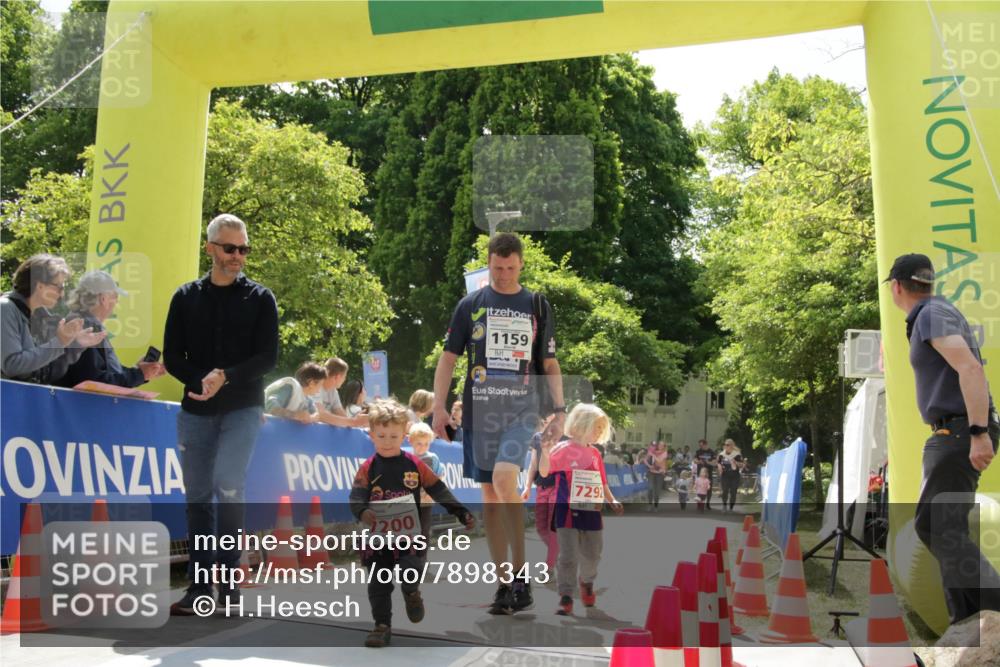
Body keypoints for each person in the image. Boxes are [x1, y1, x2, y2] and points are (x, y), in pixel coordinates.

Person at [432, 232, 565, 615]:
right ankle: (505, 583)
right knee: (490, 495)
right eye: (497, 268)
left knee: (506, 479)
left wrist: (559, 409)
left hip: (522, 411)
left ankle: (521, 576)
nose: (504, 274)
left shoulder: (537, 305)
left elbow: (551, 364)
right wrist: (439, 406)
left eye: (510, 267)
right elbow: (448, 358)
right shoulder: (470, 304)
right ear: (488, 264)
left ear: (521, 263)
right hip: (480, 412)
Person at [163, 213, 279, 615]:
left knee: (229, 485)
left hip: (243, 407)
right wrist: (200, 379)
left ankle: (228, 584)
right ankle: (199, 588)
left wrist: (225, 376)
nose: (237, 256)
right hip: (194, 410)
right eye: (230, 248)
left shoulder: (261, 299)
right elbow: (173, 355)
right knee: (197, 497)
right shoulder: (184, 297)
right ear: (210, 247)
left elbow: (269, 356)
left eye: (243, 249)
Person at [885, 253, 1000, 624]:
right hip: (958, 429)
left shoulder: (931, 315)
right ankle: (967, 622)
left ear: (897, 286)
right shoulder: (936, 313)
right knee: (946, 527)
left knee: (935, 526)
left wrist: (979, 432)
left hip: (959, 429)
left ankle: (988, 611)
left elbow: (969, 368)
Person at [350, 399, 475, 648]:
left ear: (404, 434)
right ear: (372, 435)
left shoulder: (414, 464)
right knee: (378, 583)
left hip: (409, 534)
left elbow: (438, 488)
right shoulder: (368, 467)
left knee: (411, 570)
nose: (387, 441)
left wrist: (461, 512)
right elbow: (356, 496)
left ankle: (411, 593)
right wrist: (363, 512)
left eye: (393, 436)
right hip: (378, 537)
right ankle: (381, 626)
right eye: (381, 435)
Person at [538, 403, 623, 615]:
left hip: (592, 512)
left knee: (593, 554)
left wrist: (612, 500)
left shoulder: (595, 454)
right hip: (566, 511)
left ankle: (586, 582)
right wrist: (546, 453)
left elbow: (602, 483)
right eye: (596, 428)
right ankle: (566, 596)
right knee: (568, 555)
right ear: (582, 425)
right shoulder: (562, 449)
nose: (598, 433)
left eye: (600, 430)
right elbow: (545, 472)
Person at [1, 254, 106, 383]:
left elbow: (48, 374)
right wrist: (60, 342)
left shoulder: (41, 317)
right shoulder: (5, 309)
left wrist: (74, 344)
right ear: (39, 285)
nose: (62, 293)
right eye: (59, 287)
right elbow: (12, 366)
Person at [58, 270, 166, 389]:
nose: (117, 301)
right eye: (115, 296)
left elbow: (107, 372)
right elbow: (94, 383)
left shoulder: (84, 323)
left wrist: (139, 371)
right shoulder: (85, 326)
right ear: (103, 299)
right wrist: (140, 374)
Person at [522, 415, 559, 573]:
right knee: (540, 528)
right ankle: (560, 551)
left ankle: (549, 566)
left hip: (559, 488)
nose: (547, 425)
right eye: (545, 422)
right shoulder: (537, 438)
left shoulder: (566, 439)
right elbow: (533, 464)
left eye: (551, 421)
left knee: (552, 529)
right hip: (541, 488)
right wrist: (527, 486)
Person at [406, 422, 442, 544]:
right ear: (410, 441)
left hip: (425, 501)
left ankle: (421, 558)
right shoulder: (405, 457)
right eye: (419, 443)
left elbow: (439, 475)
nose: (423, 447)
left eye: (426, 444)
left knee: (423, 530)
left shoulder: (432, 458)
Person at [317, 357, 368, 428]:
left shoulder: (333, 391)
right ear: (337, 377)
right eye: (344, 377)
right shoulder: (315, 386)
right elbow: (320, 415)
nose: (344, 380)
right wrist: (353, 422)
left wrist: (356, 423)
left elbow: (339, 412)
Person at [717, 438, 744, 513]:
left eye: (727, 445)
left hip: (734, 476)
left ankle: (731, 508)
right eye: (725, 445)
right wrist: (719, 468)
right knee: (725, 491)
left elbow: (742, 465)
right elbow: (718, 463)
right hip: (725, 475)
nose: (725, 446)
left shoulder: (737, 454)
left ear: (732, 446)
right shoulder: (721, 455)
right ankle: (724, 506)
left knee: (733, 492)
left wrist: (735, 462)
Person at [644, 441, 668, 511]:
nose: (660, 445)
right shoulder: (653, 450)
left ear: (664, 446)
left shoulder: (665, 453)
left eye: (662, 445)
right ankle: (649, 505)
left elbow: (659, 460)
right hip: (651, 473)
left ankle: (656, 506)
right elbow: (645, 460)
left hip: (660, 474)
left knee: (657, 492)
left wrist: (653, 454)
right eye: (659, 444)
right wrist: (649, 466)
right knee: (650, 488)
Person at [693, 439, 717, 510]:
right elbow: (694, 460)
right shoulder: (698, 451)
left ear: (706, 444)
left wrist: (708, 462)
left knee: (708, 489)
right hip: (700, 474)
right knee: (699, 488)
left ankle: (708, 503)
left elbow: (714, 462)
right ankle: (699, 503)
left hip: (708, 474)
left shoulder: (711, 452)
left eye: (701, 445)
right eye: (699, 445)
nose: (700, 446)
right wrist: (698, 461)